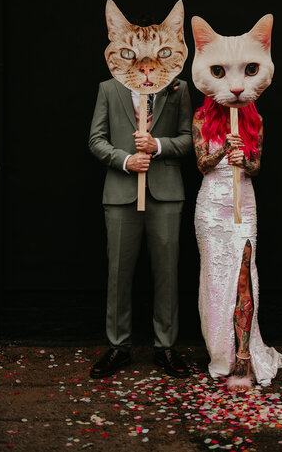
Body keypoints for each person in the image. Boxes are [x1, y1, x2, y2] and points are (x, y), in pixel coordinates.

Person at [88, 55, 192, 379]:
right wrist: (125, 160)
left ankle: (166, 348)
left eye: (151, 67)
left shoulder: (179, 89)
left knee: (167, 272)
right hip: (121, 195)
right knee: (118, 272)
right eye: (140, 67)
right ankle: (119, 346)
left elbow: (189, 138)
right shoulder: (108, 89)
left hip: (166, 195)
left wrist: (158, 145)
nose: (146, 73)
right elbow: (96, 140)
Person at [192, 96, 282, 392]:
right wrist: (224, 148)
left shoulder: (255, 120)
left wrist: (244, 161)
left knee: (243, 278)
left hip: (243, 205)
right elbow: (201, 163)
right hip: (211, 205)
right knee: (216, 280)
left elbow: (256, 166)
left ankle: (243, 356)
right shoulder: (201, 117)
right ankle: (220, 353)